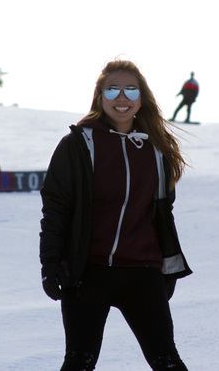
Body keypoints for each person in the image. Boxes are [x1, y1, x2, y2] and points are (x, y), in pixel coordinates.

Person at [39, 59, 192, 371]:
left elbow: (163, 211)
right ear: (100, 96)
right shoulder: (79, 144)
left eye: (130, 89)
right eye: (113, 90)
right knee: (79, 362)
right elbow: (56, 207)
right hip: (87, 272)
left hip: (142, 271)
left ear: (141, 97)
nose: (122, 97)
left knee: (167, 361)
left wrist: (167, 264)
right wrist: (51, 262)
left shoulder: (158, 149)